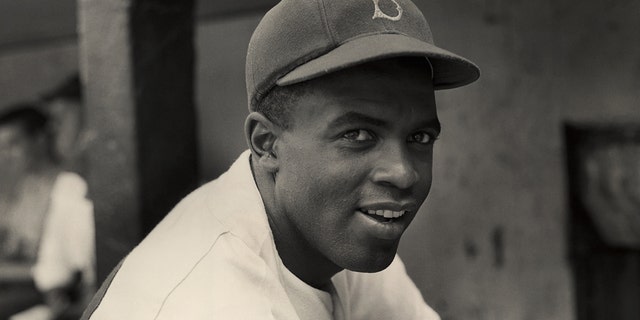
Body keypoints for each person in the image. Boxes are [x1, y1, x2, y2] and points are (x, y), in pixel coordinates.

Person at [83, 0, 479, 319]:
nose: (403, 173)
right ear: (267, 144)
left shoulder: (333, 237)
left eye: (420, 137)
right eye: (358, 135)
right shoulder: (208, 302)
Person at [0, 77, 95, 320]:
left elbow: (64, 273)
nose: (53, 129)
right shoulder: (40, 186)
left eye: (60, 121)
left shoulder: (69, 183)